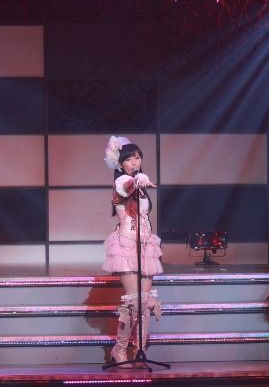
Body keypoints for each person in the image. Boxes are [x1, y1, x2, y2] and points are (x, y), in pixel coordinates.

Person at [102, 136, 164, 366]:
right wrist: (138, 180)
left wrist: (141, 182)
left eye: (137, 158)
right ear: (120, 164)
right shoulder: (122, 182)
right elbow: (127, 186)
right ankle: (119, 350)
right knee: (134, 302)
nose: (134, 162)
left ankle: (140, 349)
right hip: (126, 246)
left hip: (145, 245)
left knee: (145, 302)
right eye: (129, 159)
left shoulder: (140, 186)